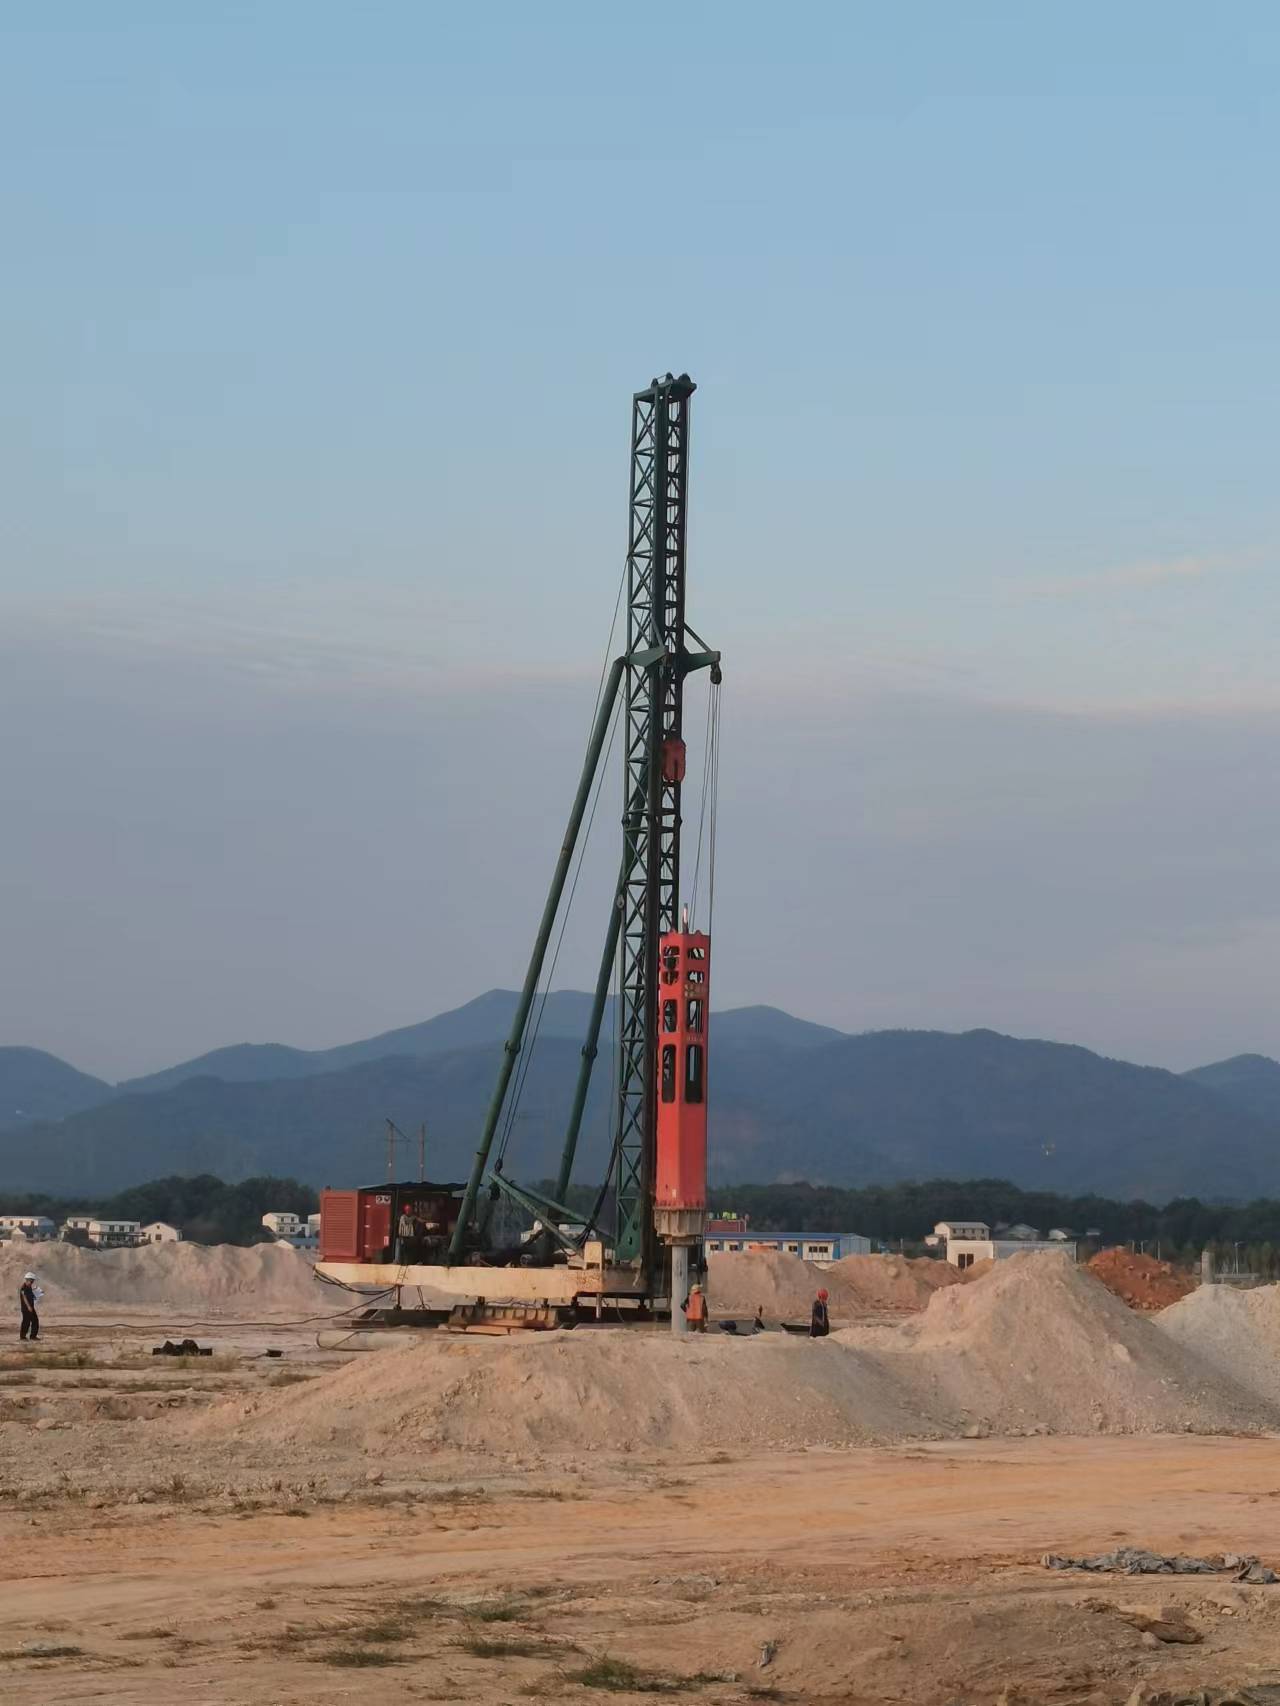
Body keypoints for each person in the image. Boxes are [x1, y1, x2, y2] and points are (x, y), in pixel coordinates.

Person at [19, 1272, 39, 1343]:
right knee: (26, 1322)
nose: (32, 1282)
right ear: (27, 1279)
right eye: (31, 1280)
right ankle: (22, 1337)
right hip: (26, 1308)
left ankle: (33, 1336)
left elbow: (30, 1295)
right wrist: (28, 1306)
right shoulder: (23, 1287)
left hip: (31, 1307)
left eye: (33, 1281)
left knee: (35, 1321)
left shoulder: (29, 1286)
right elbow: (24, 1297)